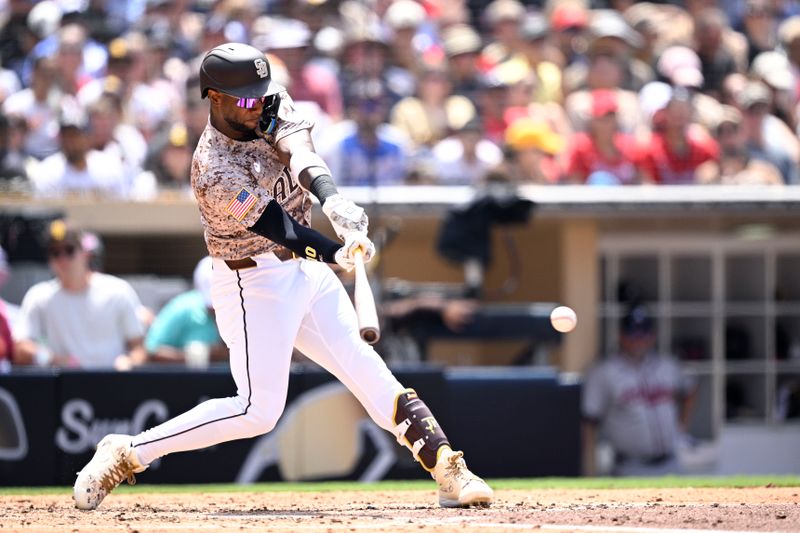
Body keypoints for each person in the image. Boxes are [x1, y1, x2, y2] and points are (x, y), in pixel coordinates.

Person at [73, 43, 492, 511]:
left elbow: (300, 153)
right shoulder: (213, 169)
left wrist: (333, 202)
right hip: (252, 282)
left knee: (366, 368)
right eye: (245, 98)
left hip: (304, 270)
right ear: (213, 97)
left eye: (261, 93)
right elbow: (282, 230)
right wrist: (339, 251)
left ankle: (446, 466)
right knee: (258, 410)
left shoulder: (267, 101)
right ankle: (129, 451)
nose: (259, 105)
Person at [14, 219, 146, 369]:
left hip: (113, 383)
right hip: (65, 386)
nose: (63, 259)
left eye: (69, 250)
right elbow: (21, 347)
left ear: (85, 253)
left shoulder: (118, 291)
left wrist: (129, 362)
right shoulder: (39, 296)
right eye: (55, 253)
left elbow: (138, 347)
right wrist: (51, 358)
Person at [582, 306, 697, 477]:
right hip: (630, 467)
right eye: (633, 333)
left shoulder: (667, 366)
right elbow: (588, 421)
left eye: (643, 333)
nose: (639, 339)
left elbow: (689, 390)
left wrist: (681, 427)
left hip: (671, 463)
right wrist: (589, 467)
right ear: (621, 335)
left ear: (652, 336)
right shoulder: (604, 372)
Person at [144, 256, 227, 367]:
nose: (215, 310)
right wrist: (202, 356)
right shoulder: (181, 307)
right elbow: (152, 350)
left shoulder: (245, 307)